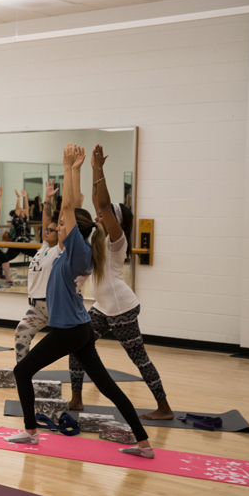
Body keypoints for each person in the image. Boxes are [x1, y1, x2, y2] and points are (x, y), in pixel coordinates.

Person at [5, 144, 153, 458]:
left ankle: (30, 432)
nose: (56, 226)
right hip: (81, 327)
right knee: (108, 386)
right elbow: (68, 208)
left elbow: (70, 205)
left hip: (70, 330)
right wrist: (72, 171)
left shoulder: (75, 249)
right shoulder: (72, 250)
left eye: (61, 225)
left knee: (21, 373)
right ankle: (143, 444)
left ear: (72, 230)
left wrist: (70, 166)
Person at [67, 144, 173, 419]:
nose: (99, 215)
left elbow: (102, 203)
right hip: (103, 307)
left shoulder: (117, 241)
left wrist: (100, 170)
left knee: (138, 358)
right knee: (76, 346)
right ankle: (76, 399)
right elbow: (96, 203)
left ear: (116, 220)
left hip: (122, 309)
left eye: (105, 214)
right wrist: (91, 169)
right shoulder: (98, 235)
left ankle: (164, 408)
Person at [12, 180, 61, 364]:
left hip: (55, 307)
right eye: (45, 230)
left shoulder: (60, 250)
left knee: (72, 346)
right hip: (38, 307)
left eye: (51, 231)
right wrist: (47, 198)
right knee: (22, 332)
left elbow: (62, 222)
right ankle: (22, 371)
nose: (46, 231)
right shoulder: (44, 246)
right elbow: (46, 220)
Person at [0, 189, 32, 284]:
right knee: (6, 257)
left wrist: (25, 197)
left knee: (37, 255)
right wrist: (18, 198)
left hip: (25, 244)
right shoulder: (16, 220)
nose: (23, 212)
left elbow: (27, 209)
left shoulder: (25, 220)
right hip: (17, 243)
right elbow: (18, 209)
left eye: (23, 212)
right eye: (21, 211)